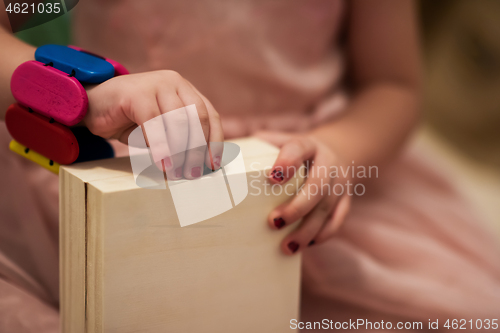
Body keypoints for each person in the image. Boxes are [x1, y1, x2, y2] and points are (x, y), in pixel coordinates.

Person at [0, 1, 499, 332]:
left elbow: (394, 87)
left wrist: (340, 151)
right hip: (115, 166)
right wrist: (81, 93)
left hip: (308, 182)